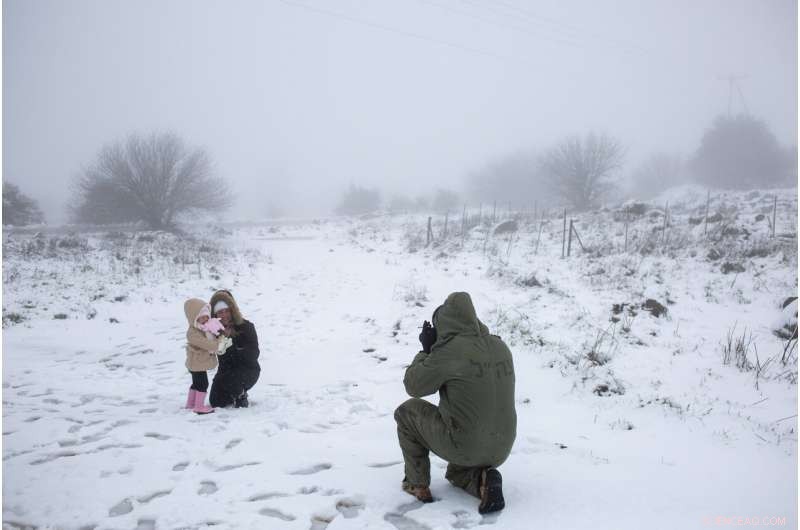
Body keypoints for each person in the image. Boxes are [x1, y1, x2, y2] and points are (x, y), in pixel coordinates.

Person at [394, 292, 516, 514]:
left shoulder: (450, 352)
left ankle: (416, 483)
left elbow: (414, 386)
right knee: (456, 472)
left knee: (406, 412)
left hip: (466, 443)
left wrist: (425, 351)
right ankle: (483, 480)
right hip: (502, 447)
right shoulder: (500, 346)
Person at [208, 289, 261, 408]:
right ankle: (233, 393)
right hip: (225, 372)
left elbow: (254, 354)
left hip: (248, 370)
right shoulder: (214, 331)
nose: (224, 315)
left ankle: (241, 395)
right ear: (215, 315)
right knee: (216, 401)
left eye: (227, 311)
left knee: (232, 379)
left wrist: (231, 344)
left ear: (233, 310)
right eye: (220, 312)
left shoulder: (246, 326)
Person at [183, 299, 231, 415]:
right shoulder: (193, 333)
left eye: (206, 316)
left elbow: (212, 336)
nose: (205, 319)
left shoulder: (203, 328)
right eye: (201, 317)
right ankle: (199, 407)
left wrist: (219, 335)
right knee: (202, 384)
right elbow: (206, 343)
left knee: (196, 383)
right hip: (196, 363)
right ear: (194, 318)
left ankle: (191, 404)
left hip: (197, 362)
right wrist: (219, 345)